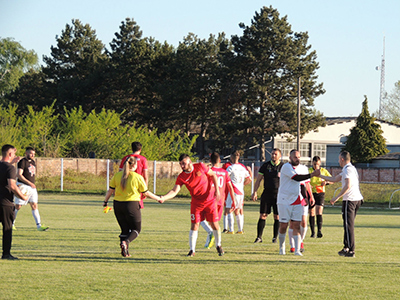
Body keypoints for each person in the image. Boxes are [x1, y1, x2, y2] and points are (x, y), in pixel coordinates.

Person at [158, 154, 224, 257]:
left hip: (209, 200)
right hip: (196, 203)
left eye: (183, 163)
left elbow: (213, 175)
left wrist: (217, 191)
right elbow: (175, 191)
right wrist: (164, 198)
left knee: (214, 223)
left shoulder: (200, 166)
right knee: (195, 224)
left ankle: (218, 245)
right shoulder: (181, 177)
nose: (182, 166)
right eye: (180, 164)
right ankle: (192, 250)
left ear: (189, 161)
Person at [104, 156, 161, 257]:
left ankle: (125, 252)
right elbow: (146, 193)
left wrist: (105, 201)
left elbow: (110, 190)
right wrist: (158, 198)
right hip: (131, 205)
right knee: (136, 229)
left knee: (124, 230)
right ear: (135, 165)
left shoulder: (117, 176)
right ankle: (125, 242)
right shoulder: (138, 177)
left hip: (117, 204)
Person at [319, 150, 363, 258]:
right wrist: (320, 176)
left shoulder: (348, 170)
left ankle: (351, 250)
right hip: (357, 199)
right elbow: (334, 179)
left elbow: (347, 185)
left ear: (342, 159)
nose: (338, 161)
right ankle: (346, 247)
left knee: (349, 225)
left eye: (339, 159)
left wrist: (336, 197)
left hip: (350, 200)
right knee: (347, 224)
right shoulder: (350, 168)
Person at [277, 149, 320, 256]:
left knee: (297, 224)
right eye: (295, 157)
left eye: (299, 157)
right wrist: (312, 174)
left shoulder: (302, 168)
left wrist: (306, 197)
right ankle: (281, 247)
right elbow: (296, 178)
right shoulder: (286, 167)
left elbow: (301, 184)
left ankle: (297, 250)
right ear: (290, 158)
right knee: (283, 225)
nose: (297, 159)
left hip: (296, 199)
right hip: (284, 200)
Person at [0, 144, 28, 260]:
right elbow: (12, 185)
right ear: (10, 154)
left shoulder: (6, 166)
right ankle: (6, 254)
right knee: (7, 228)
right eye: (14, 154)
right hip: (5, 202)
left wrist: (12, 162)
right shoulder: (10, 169)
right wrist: (23, 196)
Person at [13, 147, 49, 231]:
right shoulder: (22, 162)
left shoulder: (33, 162)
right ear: (26, 153)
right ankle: (11, 223)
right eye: (31, 153)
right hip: (23, 186)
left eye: (34, 154)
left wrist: (32, 184)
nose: (33, 155)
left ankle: (39, 226)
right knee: (18, 206)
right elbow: (19, 174)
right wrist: (29, 183)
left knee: (34, 205)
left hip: (31, 187)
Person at [252, 148, 282, 244]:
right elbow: (258, 180)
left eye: (275, 154)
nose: (273, 156)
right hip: (267, 194)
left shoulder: (284, 167)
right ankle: (259, 237)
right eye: (272, 154)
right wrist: (255, 191)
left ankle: (275, 238)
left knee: (277, 216)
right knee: (263, 215)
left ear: (280, 156)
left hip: (279, 195)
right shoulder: (266, 165)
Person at [226, 151, 252, 234]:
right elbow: (249, 179)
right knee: (237, 210)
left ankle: (231, 230)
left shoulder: (231, 167)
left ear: (232, 158)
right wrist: (243, 184)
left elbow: (225, 176)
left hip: (234, 191)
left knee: (230, 210)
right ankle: (240, 230)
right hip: (241, 191)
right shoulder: (242, 168)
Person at [119, 142, 148, 208]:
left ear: (131, 149)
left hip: (125, 184)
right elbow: (145, 176)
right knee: (136, 206)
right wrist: (145, 190)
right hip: (138, 185)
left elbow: (120, 173)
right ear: (140, 149)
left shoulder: (126, 158)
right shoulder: (143, 159)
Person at [308, 156, 332, 238]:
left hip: (320, 193)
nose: (316, 166)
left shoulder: (323, 171)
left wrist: (326, 182)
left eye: (317, 164)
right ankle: (312, 232)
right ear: (312, 163)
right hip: (311, 193)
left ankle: (319, 231)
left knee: (319, 211)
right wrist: (308, 186)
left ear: (320, 163)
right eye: (314, 164)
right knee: (311, 212)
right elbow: (305, 180)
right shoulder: (309, 171)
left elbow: (332, 180)